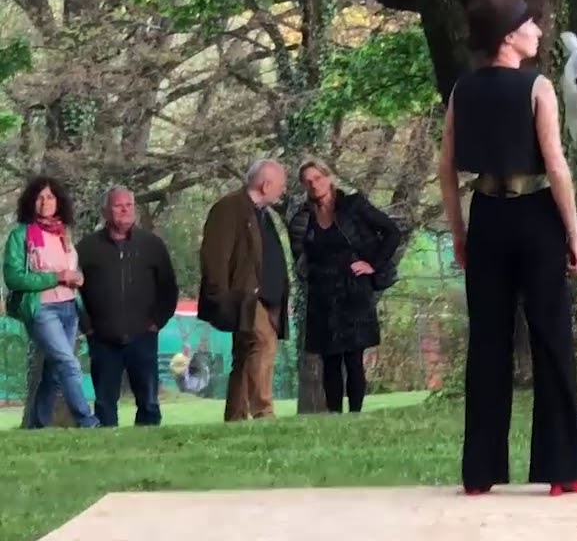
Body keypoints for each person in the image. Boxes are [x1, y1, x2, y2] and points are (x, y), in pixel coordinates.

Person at [439, 0, 577, 497]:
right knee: (551, 339)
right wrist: (574, 234)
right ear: (509, 37)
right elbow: (556, 165)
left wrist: (459, 232)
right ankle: (563, 469)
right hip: (536, 216)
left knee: (487, 342)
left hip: (486, 217)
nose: (539, 31)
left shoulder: (463, 90)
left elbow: (445, 167)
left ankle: (480, 471)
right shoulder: (537, 87)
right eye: (530, 24)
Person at [288, 159, 403, 413]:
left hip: (353, 289)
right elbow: (300, 257)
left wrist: (372, 264)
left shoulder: (354, 206)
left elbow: (392, 232)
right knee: (329, 359)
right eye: (308, 181)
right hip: (322, 293)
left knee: (353, 357)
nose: (314, 184)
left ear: (329, 178)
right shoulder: (301, 219)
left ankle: (356, 413)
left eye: (318, 178)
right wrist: (308, 277)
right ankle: (334, 414)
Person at [197, 159, 293, 422]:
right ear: (266, 184)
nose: (282, 191)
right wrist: (221, 296)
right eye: (280, 186)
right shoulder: (230, 208)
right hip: (245, 296)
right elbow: (215, 255)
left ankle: (236, 415)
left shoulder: (262, 213)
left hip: (263, 297)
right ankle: (263, 411)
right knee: (263, 344)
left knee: (244, 354)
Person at [77, 186, 180, 426]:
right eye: (118, 205)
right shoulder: (87, 248)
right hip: (102, 339)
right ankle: (107, 450)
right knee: (104, 403)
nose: (125, 210)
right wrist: (88, 327)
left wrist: (156, 322)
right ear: (105, 211)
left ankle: (150, 449)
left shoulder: (152, 245)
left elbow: (168, 288)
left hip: (143, 336)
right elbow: (72, 292)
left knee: (149, 402)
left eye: (129, 205)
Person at [2, 175, 99, 428]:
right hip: (42, 310)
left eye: (50, 197)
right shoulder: (20, 236)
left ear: (59, 202)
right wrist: (56, 277)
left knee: (55, 372)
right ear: (30, 202)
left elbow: (69, 269)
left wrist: (76, 277)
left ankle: (38, 426)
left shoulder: (63, 234)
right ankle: (88, 421)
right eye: (39, 197)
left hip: (69, 308)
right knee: (68, 363)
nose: (45, 202)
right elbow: (14, 278)